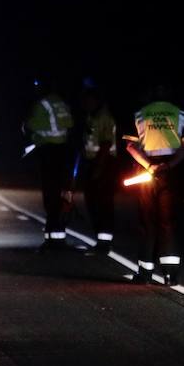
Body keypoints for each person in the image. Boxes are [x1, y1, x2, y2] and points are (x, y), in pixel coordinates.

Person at [126, 84, 184, 285]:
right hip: (171, 173)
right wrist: (169, 165)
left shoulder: (140, 113)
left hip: (146, 172)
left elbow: (131, 146)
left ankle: (144, 273)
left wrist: (149, 165)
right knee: (169, 222)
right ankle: (170, 275)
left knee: (147, 222)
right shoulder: (181, 113)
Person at [23, 79, 74, 251]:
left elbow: (32, 125)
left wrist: (26, 125)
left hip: (48, 150)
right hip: (62, 150)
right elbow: (70, 123)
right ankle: (58, 236)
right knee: (60, 193)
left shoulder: (42, 104)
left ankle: (52, 238)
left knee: (50, 194)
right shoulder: (61, 103)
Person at [79, 85, 117, 256]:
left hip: (104, 163)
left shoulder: (104, 117)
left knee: (102, 204)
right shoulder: (90, 116)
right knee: (92, 202)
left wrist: (98, 168)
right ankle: (100, 239)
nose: (85, 104)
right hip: (92, 162)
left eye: (88, 101)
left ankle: (104, 242)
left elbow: (106, 144)